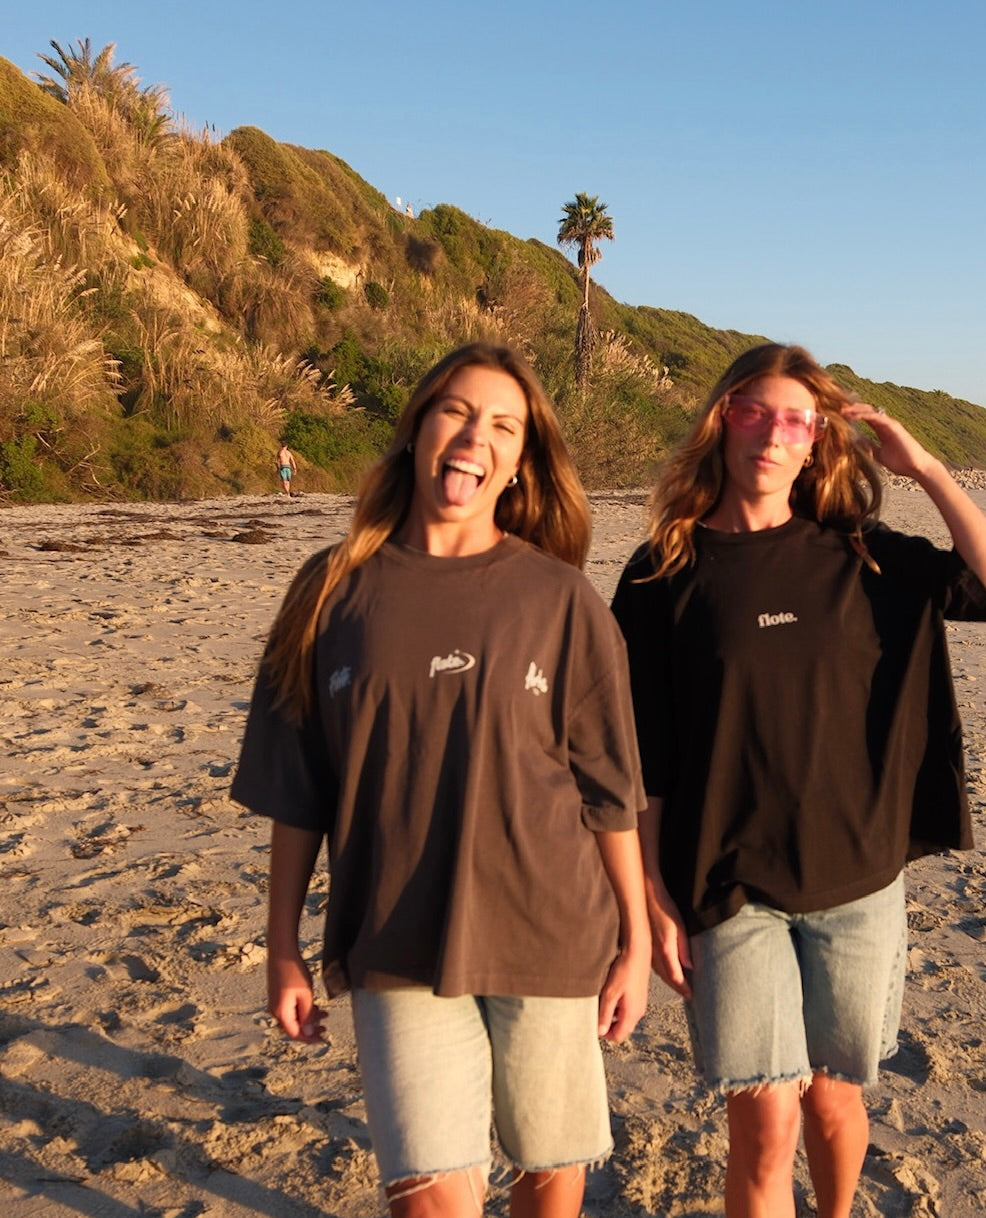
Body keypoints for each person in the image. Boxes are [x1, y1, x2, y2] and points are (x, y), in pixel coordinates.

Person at [232, 343, 650, 1218]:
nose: (474, 437)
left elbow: (610, 789)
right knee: (425, 1199)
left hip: (549, 930)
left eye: (504, 425)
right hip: (393, 933)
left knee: (549, 1170)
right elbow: (296, 786)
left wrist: (637, 940)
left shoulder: (561, 599)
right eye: (457, 411)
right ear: (419, 428)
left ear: (522, 463)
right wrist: (280, 944)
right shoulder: (331, 591)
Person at [610, 343, 986, 1218]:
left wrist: (927, 469)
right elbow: (639, 751)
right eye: (754, 411)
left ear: (816, 444)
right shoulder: (660, 574)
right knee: (762, 1123)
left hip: (856, 879)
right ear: (723, 421)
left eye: (795, 419)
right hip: (727, 885)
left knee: (834, 1100)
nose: (772, 433)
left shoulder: (864, 556)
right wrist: (649, 892)